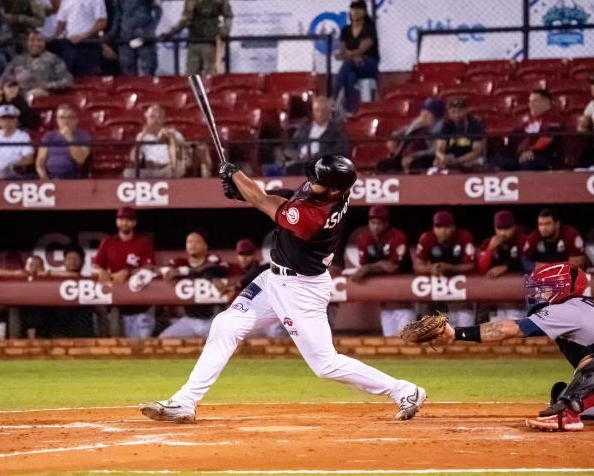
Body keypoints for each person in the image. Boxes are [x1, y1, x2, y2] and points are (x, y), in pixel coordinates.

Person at [140, 155, 426, 423]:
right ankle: (185, 401)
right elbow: (285, 195)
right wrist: (241, 190)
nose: (311, 181)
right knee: (226, 325)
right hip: (273, 279)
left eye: (317, 180)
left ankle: (404, 390)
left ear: (333, 192)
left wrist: (236, 175)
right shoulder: (327, 191)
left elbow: (265, 201)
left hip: (302, 289)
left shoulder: (314, 216)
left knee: (325, 365)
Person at [438, 262, 594, 431]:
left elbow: (511, 329)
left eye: (544, 288)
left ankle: (567, 417)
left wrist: (457, 333)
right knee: (562, 394)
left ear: (562, 289)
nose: (538, 294)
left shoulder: (567, 309)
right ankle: (573, 410)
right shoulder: (589, 306)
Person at [92, 207, 156, 338]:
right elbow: (95, 267)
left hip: (141, 302)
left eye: (128, 220)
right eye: (121, 219)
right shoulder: (108, 242)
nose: (124, 222)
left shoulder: (143, 242)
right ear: (116, 222)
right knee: (120, 347)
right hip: (119, 302)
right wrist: (101, 271)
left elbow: (150, 267)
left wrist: (128, 271)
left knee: (141, 347)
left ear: (134, 223)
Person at [351, 206, 413, 336]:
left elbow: (393, 267)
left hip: (403, 294)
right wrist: (375, 266)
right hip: (385, 300)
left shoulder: (397, 236)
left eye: (380, 223)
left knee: (406, 339)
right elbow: (363, 268)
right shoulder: (364, 237)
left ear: (386, 223)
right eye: (373, 223)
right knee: (389, 338)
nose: (376, 227)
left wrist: (370, 268)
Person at [160, 230, 229, 339]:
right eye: (189, 242)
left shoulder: (213, 260)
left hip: (213, 318)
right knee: (164, 339)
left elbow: (218, 269)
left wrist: (183, 271)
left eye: (197, 242)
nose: (193, 245)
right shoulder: (179, 262)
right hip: (189, 319)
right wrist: (173, 272)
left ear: (205, 246)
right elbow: (165, 272)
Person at [414, 210, 475, 327]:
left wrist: (449, 267)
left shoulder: (464, 236)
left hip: (460, 287)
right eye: (439, 227)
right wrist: (430, 269)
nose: (443, 230)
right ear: (433, 228)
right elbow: (417, 265)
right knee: (434, 329)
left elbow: (471, 265)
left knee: (464, 329)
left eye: (447, 226)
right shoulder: (427, 238)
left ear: (453, 227)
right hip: (436, 286)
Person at [160, 0, 233, 76]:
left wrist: (225, 30)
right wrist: (171, 33)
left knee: (210, 75)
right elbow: (185, 20)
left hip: (210, 41)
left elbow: (228, 15)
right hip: (194, 40)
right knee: (191, 75)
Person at [495, 89, 563, 171]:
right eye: (530, 102)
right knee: (496, 161)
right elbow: (515, 135)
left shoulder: (553, 119)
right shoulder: (531, 122)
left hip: (543, 157)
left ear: (547, 103)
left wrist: (532, 150)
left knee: (527, 163)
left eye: (535, 101)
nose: (531, 105)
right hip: (523, 155)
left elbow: (547, 138)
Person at [477, 210, 528, 321]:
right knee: (497, 332)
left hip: (518, 297)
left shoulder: (522, 240)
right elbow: (481, 268)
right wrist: (490, 250)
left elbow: (528, 266)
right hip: (497, 297)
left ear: (514, 227)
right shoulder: (488, 243)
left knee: (517, 330)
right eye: (500, 229)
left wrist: (505, 268)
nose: (503, 233)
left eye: (507, 229)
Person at [333, 0, 379, 114]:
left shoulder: (369, 29)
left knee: (348, 64)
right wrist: (353, 56)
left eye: (358, 9)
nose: (355, 12)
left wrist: (351, 55)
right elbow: (341, 54)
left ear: (364, 12)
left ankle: (333, 97)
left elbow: (362, 49)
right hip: (353, 65)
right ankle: (351, 112)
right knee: (350, 76)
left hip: (368, 65)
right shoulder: (346, 30)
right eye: (353, 10)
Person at [284, 96, 348, 175]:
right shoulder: (304, 129)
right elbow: (288, 149)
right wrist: (299, 155)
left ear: (328, 112)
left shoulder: (336, 130)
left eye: (323, 110)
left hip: (324, 166)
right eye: (317, 110)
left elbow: (341, 150)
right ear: (313, 111)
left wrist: (317, 156)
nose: (320, 113)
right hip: (301, 163)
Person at [0, 30, 73, 97]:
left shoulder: (53, 59)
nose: (36, 44)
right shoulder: (17, 60)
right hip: (16, 93)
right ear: (26, 43)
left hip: (41, 94)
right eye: (32, 40)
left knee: (33, 94)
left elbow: (68, 81)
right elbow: (4, 79)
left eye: (39, 40)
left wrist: (47, 85)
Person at [383, 97, 446, 174]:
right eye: (422, 112)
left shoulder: (442, 128)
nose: (422, 116)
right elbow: (408, 130)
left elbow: (435, 150)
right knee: (383, 165)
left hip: (424, 159)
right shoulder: (418, 122)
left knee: (417, 165)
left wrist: (414, 155)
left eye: (427, 114)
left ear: (436, 117)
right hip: (404, 156)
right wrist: (396, 135)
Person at [107, 0, 163, 76]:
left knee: (148, 69)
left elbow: (158, 11)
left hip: (144, 37)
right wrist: (112, 33)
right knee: (127, 70)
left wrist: (149, 30)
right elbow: (117, 15)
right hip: (125, 37)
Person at [53, 0, 108, 76]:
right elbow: (61, 22)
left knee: (89, 78)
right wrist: (54, 38)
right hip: (69, 46)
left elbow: (102, 22)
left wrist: (84, 36)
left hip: (88, 45)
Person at [123, 104, 184, 179]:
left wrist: (171, 138)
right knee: (128, 173)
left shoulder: (174, 134)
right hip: (150, 170)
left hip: (167, 169)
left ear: (164, 119)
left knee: (179, 169)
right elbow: (133, 159)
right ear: (147, 119)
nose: (155, 120)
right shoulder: (142, 136)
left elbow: (183, 156)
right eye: (152, 117)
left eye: (159, 117)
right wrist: (141, 138)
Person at [431, 97, 485, 174]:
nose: (457, 115)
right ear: (449, 112)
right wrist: (443, 158)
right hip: (451, 157)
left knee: (473, 163)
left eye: (460, 111)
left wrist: (457, 161)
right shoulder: (447, 125)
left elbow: (477, 151)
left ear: (466, 110)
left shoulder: (474, 125)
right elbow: (439, 149)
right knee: (437, 162)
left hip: (467, 158)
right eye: (453, 111)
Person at [36, 104, 91, 179]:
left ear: (76, 120)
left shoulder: (83, 136)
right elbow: (40, 163)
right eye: (62, 118)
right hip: (51, 179)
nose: (66, 121)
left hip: (74, 179)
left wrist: (69, 138)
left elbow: (80, 159)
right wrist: (45, 179)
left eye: (70, 117)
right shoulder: (49, 136)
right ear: (57, 120)